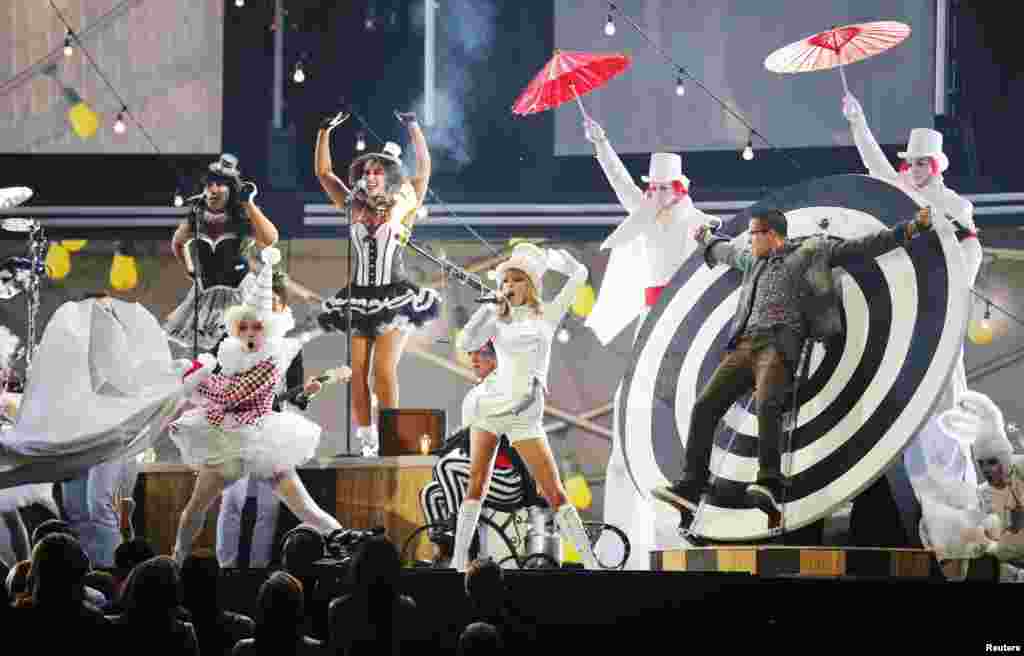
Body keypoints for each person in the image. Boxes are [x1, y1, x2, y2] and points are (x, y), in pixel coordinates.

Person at [653, 206, 935, 525]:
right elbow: (727, 251)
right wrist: (706, 238)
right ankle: (691, 486)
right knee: (704, 407)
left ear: (771, 235)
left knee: (767, 405)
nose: (749, 239)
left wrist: (910, 228)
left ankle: (769, 483)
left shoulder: (812, 251)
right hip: (745, 345)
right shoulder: (754, 260)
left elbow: (863, 246)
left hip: (780, 343)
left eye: (754, 233)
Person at [582, 117, 717, 567]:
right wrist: (601, 142)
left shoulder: (696, 221)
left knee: (676, 422)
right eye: (652, 189)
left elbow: (718, 246)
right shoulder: (645, 215)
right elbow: (620, 181)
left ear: (679, 189)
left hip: (680, 323)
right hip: (650, 319)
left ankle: (675, 530)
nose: (655, 196)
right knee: (630, 423)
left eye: (663, 189)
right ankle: (625, 540)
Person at [169, 247, 341, 564]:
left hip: (264, 441)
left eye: (257, 327)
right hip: (226, 441)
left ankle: (349, 551)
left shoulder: (275, 358)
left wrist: (198, 380)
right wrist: (196, 382)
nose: (250, 333)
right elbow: (217, 392)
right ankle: (178, 562)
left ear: (271, 324)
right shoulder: (229, 352)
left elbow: (230, 394)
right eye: (245, 327)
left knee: (303, 510)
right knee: (198, 508)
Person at [453, 243, 600, 571]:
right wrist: (487, 308)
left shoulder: (548, 313)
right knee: (476, 483)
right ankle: (456, 562)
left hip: (525, 413)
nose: (508, 287)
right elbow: (465, 343)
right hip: (490, 405)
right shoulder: (496, 316)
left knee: (555, 490)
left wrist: (556, 260)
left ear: (530, 284)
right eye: (504, 282)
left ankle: (591, 563)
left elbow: (580, 275)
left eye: (516, 280)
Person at [314, 110, 440, 457]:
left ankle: (390, 438)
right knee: (357, 375)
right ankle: (368, 441)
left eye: (377, 171)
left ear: (388, 176)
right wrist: (324, 131)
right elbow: (324, 173)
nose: (370, 176)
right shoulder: (352, 205)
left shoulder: (404, 204)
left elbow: (424, 169)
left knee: (383, 372)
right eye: (366, 171)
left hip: (394, 295)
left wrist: (414, 127)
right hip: (357, 297)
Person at [215, 270, 350, 568]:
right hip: (236, 431)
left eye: (276, 302)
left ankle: (258, 570)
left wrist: (311, 391)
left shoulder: (288, 347)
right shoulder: (232, 346)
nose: (269, 307)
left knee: (268, 508)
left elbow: (296, 396)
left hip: (271, 431)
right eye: (266, 302)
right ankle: (226, 569)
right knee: (231, 502)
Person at [418, 340, 539, 562]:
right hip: (482, 477)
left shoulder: (507, 393)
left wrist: (446, 448)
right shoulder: (481, 394)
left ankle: (461, 536)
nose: (473, 359)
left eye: (481, 354)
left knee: (447, 465)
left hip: (509, 480)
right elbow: (466, 439)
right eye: (472, 353)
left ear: (497, 359)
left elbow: (478, 438)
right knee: (431, 493)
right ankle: (441, 553)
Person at [166, 153, 279, 353]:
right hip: (206, 295)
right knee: (207, 353)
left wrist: (249, 203)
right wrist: (189, 269)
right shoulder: (196, 217)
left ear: (231, 189)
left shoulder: (241, 216)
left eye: (219, 184)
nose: (213, 189)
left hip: (239, 293)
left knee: (241, 346)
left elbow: (270, 238)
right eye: (209, 184)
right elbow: (177, 243)